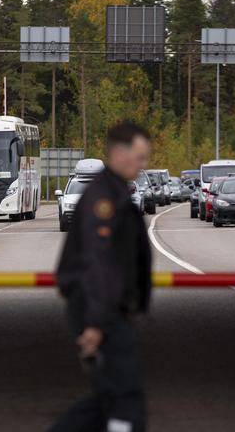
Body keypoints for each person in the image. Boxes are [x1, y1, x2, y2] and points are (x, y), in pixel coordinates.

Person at [49, 122, 152, 432]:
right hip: (100, 310)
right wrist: (95, 322)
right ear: (119, 154)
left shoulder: (115, 191)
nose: (144, 164)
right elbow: (98, 262)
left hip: (105, 308)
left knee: (108, 396)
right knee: (127, 396)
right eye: (140, 156)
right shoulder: (103, 200)